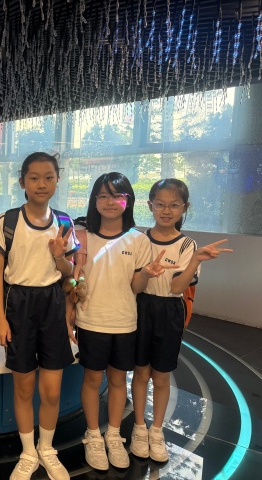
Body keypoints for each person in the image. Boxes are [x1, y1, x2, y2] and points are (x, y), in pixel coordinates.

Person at [71, 172, 176, 471]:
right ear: (94, 200)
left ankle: (114, 435)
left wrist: (147, 274)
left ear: (128, 201)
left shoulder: (138, 240)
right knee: (93, 380)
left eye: (117, 195)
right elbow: (73, 278)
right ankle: (93, 436)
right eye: (103, 195)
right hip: (91, 321)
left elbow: (136, 287)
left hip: (125, 322)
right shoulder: (83, 237)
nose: (109, 201)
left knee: (118, 381)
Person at [130, 179, 233, 463]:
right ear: (150, 205)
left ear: (185, 207)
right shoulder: (139, 240)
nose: (167, 210)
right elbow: (136, 286)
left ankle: (156, 430)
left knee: (162, 375)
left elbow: (177, 287)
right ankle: (139, 427)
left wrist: (195, 260)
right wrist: (147, 273)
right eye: (160, 204)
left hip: (169, 311)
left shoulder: (188, 244)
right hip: (141, 307)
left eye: (174, 205)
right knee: (140, 372)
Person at [0, 152, 78, 480]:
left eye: (49, 177)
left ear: (58, 180)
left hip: (52, 304)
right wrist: (0, 318)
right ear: (22, 182)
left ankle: (47, 448)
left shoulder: (65, 222)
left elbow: (69, 274)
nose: (42, 184)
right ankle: (28, 452)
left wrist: (59, 257)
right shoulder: (8, 221)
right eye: (34, 178)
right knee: (24, 387)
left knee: (52, 390)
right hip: (19, 305)